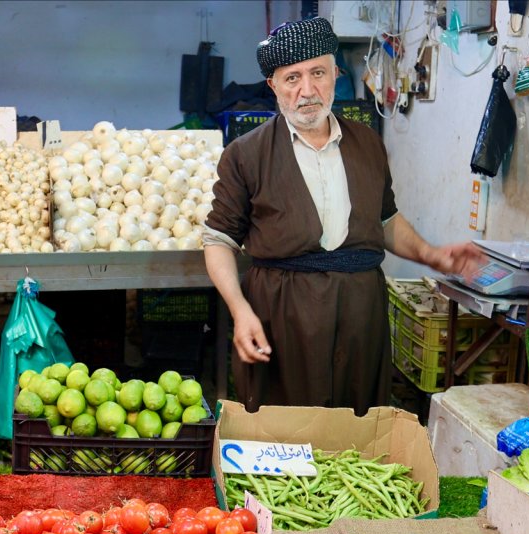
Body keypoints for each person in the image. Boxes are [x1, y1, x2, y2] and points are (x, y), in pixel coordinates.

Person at [203, 17, 485, 415]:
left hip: (360, 311)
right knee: (286, 423)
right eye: (292, 78)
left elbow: (385, 220)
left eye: (317, 73)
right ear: (273, 86)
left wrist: (432, 255)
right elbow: (219, 240)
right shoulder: (246, 155)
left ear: (335, 72)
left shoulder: (367, 143)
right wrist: (240, 310)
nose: (307, 90)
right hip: (283, 314)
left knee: (358, 421)